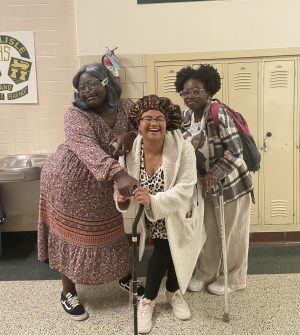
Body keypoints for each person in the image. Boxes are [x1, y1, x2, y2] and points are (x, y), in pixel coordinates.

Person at [38, 63, 142, 321]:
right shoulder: (74, 114)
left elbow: (149, 123)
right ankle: (67, 292)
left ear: (107, 82)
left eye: (92, 84)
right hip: (68, 179)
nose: (86, 91)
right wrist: (119, 174)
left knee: (113, 229)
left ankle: (124, 278)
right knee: (71, 234)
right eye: (81, 87)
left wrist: (130, 134)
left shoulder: (128, 107)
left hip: (104, 180)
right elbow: (87, 149)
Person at [115, 95, 206, 334]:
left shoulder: (182, 147)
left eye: (160, 118)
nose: (154, 123)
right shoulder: (128, 152)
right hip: (151, 216)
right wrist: (122, 198)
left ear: (168, 122)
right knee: (168, 252)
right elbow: (122, 185)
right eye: (148, 118)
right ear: (138, 123)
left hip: (178, 210)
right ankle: (171, 292)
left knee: (169, 250)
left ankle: (150, 297)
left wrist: (154, 200)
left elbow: (186, 187)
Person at [175, 64, 253, 296]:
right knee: (208, 233)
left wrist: (214, 174)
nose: (190, 96)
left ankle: (235, 278)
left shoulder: (218, 113)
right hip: (205, 188)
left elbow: (235, 150)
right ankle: (206, 273)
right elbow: (184, 145)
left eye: (196, 90)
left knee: (232, 235)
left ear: (208, 91)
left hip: (231, 187)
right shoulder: (187, 116)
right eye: (186, 92)